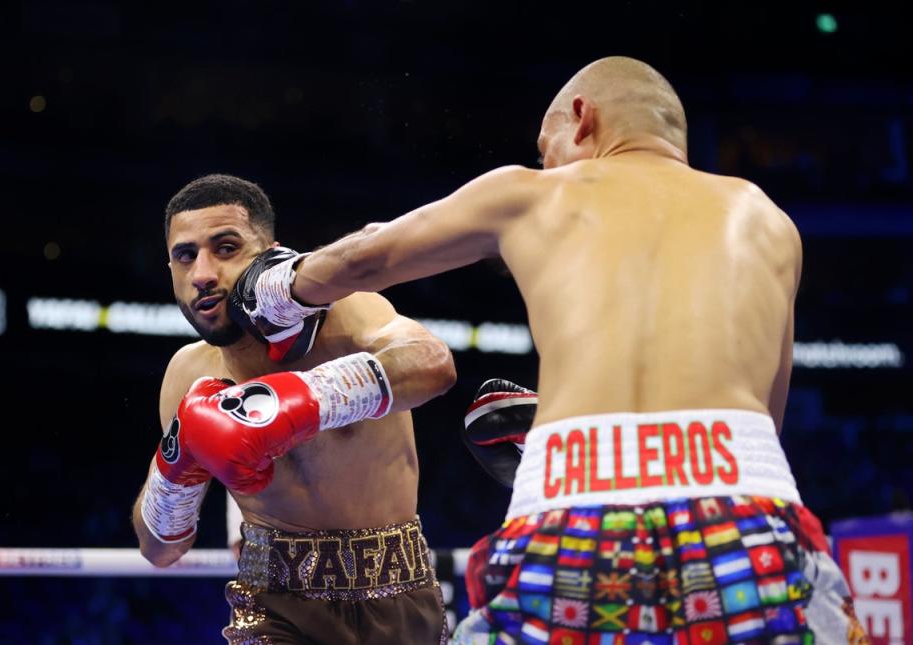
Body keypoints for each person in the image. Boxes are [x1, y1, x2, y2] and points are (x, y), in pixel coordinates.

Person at [249, 57, 870, 643]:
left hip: (573, 505)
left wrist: (275, 288)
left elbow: (371, 255)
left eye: (549, 153)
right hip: (745, 505)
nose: (548, 169)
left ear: (583, 116)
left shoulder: (530, 194)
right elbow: (769, 419)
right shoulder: (767, 219)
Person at [130, 174, 456, 644]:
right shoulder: (187, 375)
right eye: (186, 255)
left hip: (401, 594)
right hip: (272, 607)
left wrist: (298, 403)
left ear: (270, 255)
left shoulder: (347, 317)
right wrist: (172, 476)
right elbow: (159, 550)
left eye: (225, 248)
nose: (202, 273)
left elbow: (432, 364)